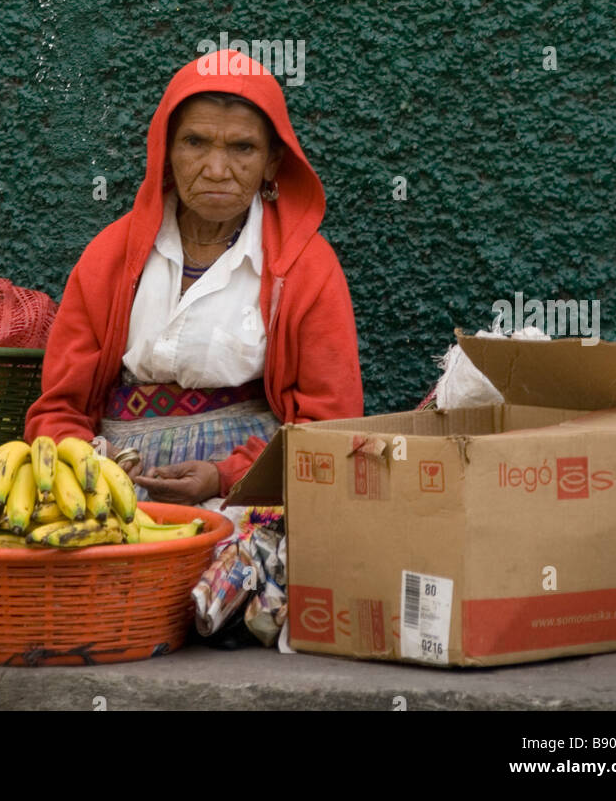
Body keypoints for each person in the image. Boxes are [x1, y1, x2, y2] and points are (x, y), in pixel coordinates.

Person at [24, 49, 363, 505]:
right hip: (110, 483)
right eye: (195, 143)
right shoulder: (111, 256)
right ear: (167, 151)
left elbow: (330, 422)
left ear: (272, 162)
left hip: (251, 491)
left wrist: (225, 476)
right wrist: (92, 466)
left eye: (242, 147)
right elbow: (58, 409)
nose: (216, 169)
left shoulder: (306, 266)